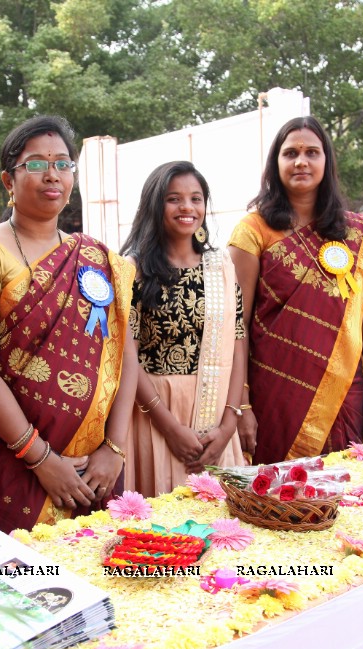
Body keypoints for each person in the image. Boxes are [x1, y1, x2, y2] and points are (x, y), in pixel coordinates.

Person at [0, 115, 136, 534]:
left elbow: (124, 353)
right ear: (7, 180)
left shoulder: (94, 256)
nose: (52, 174)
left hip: (97, 466)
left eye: (63, 163)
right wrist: (41, 458)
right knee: (23, 588)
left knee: (104, 582)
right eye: (35, 164)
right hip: (18, 462)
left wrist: (115, 448)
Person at [228, 116, 363, 463]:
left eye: (311, 152)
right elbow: (236, 325)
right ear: (276, 164)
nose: (301, 161)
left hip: (344, 390)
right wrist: (241, 404)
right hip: (275, 393)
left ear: (326, 161)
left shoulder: (355, 233)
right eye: (290, 153)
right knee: (280, 496)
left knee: (344, 493)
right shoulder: (253, 231)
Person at [119, 161, 247, 496]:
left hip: (217, 415)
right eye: (174, 199)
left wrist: (229, 424)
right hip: (154, 412)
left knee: (222, 525)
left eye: (196, 198)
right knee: (163, 530)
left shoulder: (222, 267)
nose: (187, 207)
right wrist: (170, 427)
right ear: (154, 204)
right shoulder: (134, 270)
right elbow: (125, 354)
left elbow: (238, 345)